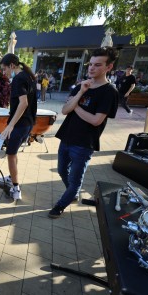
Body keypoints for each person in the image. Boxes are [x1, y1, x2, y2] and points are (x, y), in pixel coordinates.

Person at [48, 47, 119, 218]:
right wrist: (80, 92)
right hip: (66, 137)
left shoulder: (110, 92)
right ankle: (72, 193)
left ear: (108, 67)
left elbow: (96, 120)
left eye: (98, 65)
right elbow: (65, 110)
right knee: (61, 171)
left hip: (84, 143)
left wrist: (77, 105)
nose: (92, 68)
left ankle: (61, 205)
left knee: (75, 180)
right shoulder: (81, 86)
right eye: (91, 64)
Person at [0, 53, 37, 200]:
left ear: (12, 66)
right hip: (27, 123)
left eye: (4, 69)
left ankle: (16, 188)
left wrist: (10, 126)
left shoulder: (18, 79)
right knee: (13, 153)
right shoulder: (29, 76)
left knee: (10, 156)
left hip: (20, 125)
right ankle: (11, 177)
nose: (4, 72)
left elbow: (24, 103)